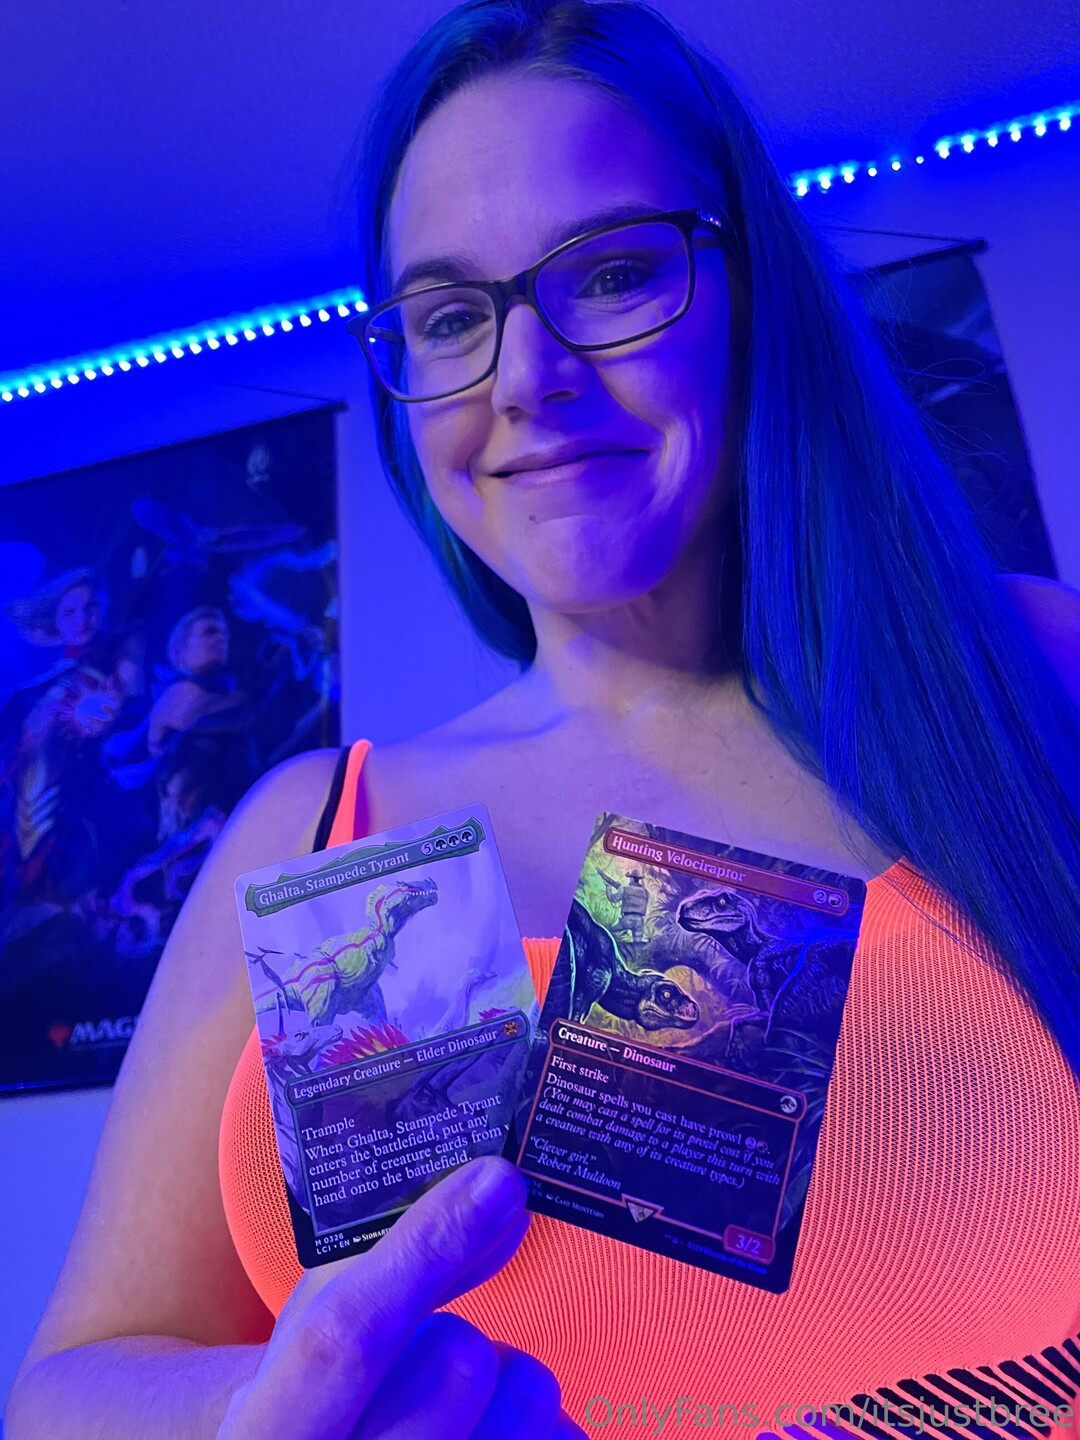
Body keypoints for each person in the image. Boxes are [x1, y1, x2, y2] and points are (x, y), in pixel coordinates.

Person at [9, 0, 1080, 1435]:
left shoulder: (1031, 671)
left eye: (616, 273)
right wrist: (265, 1405)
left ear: (755, 294)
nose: (526, 379)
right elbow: (70, 1385)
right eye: (452, 316)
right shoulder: (314, 829)